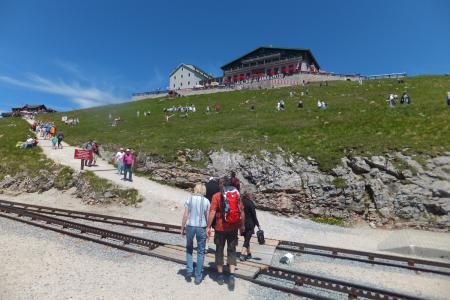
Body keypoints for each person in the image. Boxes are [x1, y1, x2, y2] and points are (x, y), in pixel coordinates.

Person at [206, 178, 245, 291]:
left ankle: (220, 275)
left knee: (219, 250)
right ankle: (231, 275)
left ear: (221, 185)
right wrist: (242, 226)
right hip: (233, 228)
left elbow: (212, 212)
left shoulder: (217, 196)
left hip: (220, 228)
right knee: (232, 250)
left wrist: (208, 227)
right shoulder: (237, 195)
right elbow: (242, 211)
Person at [181, 183, 210, 285]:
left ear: (195, 189)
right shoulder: (206, 201)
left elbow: (185, 215)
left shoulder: (190, 199)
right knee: (201, 251)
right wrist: (208, 229)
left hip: (190, 226)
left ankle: (189, 269)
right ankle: (198, 276)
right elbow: (207, 217)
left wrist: (182, 227)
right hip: (201, 227)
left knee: (189, 248)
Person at [239, 192, 260, 261]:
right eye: (252, 195)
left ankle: (249, 254)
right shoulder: (250, 203)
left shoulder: (241, 202)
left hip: (242, 223)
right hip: (250, 224)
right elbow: (254, 215)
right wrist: (258, 224)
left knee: (246, 239)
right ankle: (242, 254)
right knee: (247, 240)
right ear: (249, 195)